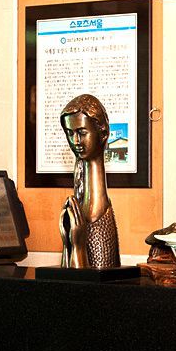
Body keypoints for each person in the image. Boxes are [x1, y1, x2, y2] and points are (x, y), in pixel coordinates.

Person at [58, 93, 120, 270]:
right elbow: (69, 279)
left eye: (82, 132)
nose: (75, 141)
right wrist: (68, 244)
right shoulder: (80, 204)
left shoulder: (100, 212)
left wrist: (77, 247)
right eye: (70, 133)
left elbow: (99, 276)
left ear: (103, 133)